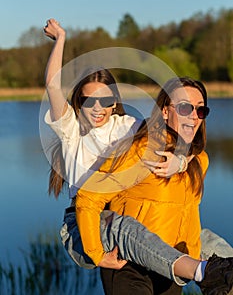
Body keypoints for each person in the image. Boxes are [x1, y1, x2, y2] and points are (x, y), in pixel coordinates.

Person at [43, 19, 233, 295]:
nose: (98, 108)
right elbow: (51, 86)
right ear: (78, 103)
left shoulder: (126, 125)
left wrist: (181, 160)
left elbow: (175, 131)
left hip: (112, 209)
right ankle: (199, 271)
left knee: (200, 237)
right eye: (89, 101)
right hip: (88, 221)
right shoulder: (72, 130)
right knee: (127, 228)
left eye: (106, 101)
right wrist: (60, 39)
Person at [75, 76, 233, 295]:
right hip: (130, 264)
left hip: (173, 265)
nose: (194, 117)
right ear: (165, 111)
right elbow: (89, 196)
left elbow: (187, 209)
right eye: (185, 108)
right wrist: (96, 253)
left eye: (200, 110)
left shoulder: (199, 161)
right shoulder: (142, 150)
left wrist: (182, 160)